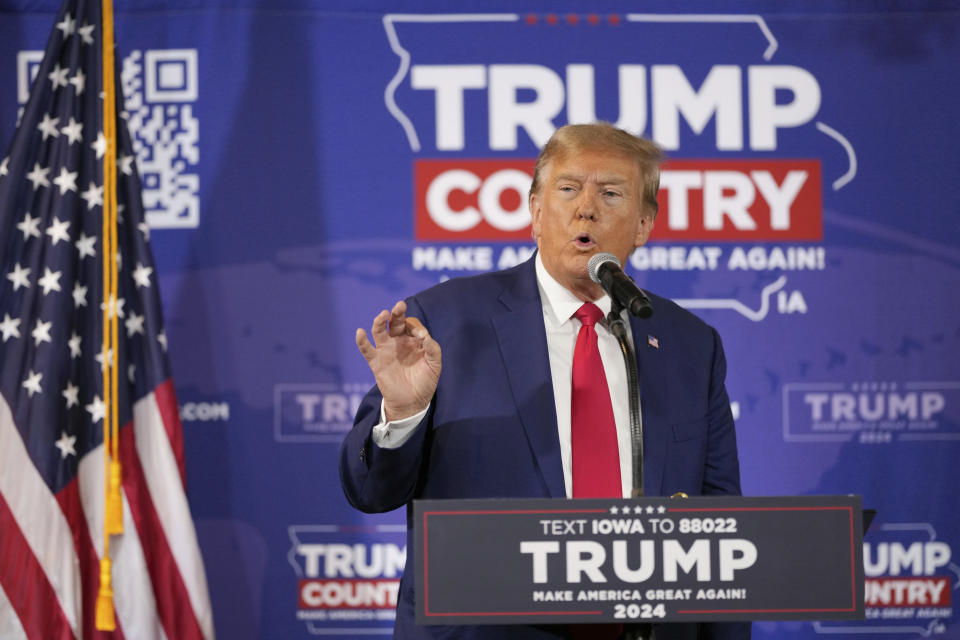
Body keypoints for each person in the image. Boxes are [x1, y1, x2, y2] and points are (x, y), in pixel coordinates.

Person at [339, 123, 748, 639]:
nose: (587, 209)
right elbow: (368, 491)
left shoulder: (690, 343)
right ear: (535, 212)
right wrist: (402, 415)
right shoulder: (445, 322)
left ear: (643, 225)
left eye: (611, 194)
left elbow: (721, 529)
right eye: (568, 188)